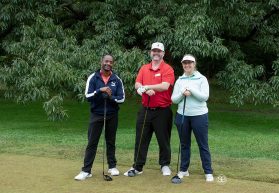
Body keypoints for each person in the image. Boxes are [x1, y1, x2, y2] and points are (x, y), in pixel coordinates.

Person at [124, 42, 175, 176]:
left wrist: (146, 87)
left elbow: (165, 86)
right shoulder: (144, 68)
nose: (156, 53)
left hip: (162, 111)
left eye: (159, 51)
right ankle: (138, 166)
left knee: (163, 139)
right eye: (154, 51)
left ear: (163, 53)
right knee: (141, 138)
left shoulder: (167, 69)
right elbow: (137, 84)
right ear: (150, 53)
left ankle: (164, 165)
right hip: (145, 109)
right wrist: (144, 89)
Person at [74, 54, 125, 180]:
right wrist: (99, 91)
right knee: (92, 142)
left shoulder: (116, 79)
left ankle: (112, 166)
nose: (108, 63)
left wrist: (111, 97)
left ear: (113, 64)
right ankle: (86, 170)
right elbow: (87, 96)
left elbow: (122, 98)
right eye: (106, 61)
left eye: (111, 62)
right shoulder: (93, 77)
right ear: (101, 62)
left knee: (111, 141)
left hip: (112, 115)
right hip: (96, 114)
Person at [171, 54, 214, 182]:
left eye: (190, 63)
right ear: (182, 65)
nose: (187, 65)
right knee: (184, 144)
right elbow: (174, 99)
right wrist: (182, 93)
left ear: (194, 64)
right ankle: (184, 169)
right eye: (185, 63)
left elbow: (204, 97)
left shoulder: (202, 79)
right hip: (182, 115)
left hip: (199, 116)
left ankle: (208, 171)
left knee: (203, 144)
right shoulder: (179, 80)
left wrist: (191, 90)